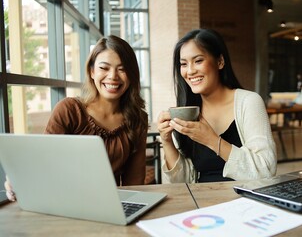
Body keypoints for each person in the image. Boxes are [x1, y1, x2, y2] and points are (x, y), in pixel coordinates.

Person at [4, 35, 148, 201]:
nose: (113, 76)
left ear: (132, 75)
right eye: (104, 68)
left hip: (109, 204)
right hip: (64, 201)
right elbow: (43, 161)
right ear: (92, 71)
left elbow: (135, 184)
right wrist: (18, 180)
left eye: (122, 69)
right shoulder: (69, 110)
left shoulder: (137, 120)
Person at [157, 29, 277, 183]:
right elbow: (184, 183)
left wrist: (212, 140)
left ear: (220, 61)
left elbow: (266, 171)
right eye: (183, 64)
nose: (190, 71)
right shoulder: (189, 111)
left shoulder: (249, 102)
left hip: (245, 202)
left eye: (198, 61)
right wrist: (167, 141)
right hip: (203, 203)